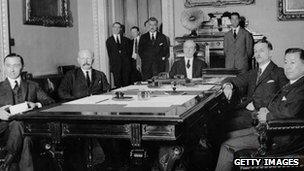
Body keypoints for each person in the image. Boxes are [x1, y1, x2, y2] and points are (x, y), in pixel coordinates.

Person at [215, 48, 304, 171]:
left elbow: (290, 112)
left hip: (277, 136)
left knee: (226, 145)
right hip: (264, 127)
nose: (288, 66)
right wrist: (228, 85)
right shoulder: (291, 84)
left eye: (292, 63)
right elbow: (278, 105)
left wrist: (266, 115)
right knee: (224, 136)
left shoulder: (297, 86)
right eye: (286, 62)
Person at [0, 53, 54, 170]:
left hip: (30, 128)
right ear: (4, 67)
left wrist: (36, 104)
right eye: (8, 65)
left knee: (26, 139)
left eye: (16, 65)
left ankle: (6, 162)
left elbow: (50, 103)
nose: (12, 69)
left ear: (22, 66)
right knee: (18, 126)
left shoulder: (33, 85)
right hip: (4, 131)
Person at [221, 38, 288, 132]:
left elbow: (285, 98)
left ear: (270, 53)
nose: (257, 54)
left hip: (261, 116)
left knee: (224, 125)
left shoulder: (279, 72)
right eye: (255, 51)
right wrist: (227, 85)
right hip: (245, 111)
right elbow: (232, 80)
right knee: (218, 119)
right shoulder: (253, 72)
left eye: (261, 51)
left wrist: (258, 106)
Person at [58, 50, 109, 170]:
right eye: (83, 58)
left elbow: (108, 91)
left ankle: (105, 161)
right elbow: (61, 92)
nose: (86, 61)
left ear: (93, 60)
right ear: (78, 60)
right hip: (77, 114)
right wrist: (76, 100)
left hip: (98, 113)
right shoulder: (71, 75)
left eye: (88, 58)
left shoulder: (100, 74)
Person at [106, 22, 132, 87]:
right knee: (118, 85)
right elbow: (110, 55)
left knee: (127, 85)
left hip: (126, 67)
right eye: (115, 27)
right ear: (112, 28)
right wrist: (112, 67)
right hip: (116, 67)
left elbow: (129, 54)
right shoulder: (109, 41)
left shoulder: (126, 40)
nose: (117, 29)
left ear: (120, 29)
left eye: (118, 27)